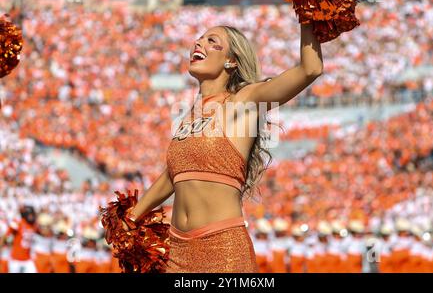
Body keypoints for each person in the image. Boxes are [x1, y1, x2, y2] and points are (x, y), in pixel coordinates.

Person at [123, 24, 323, 272]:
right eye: (199, 39)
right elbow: (175, 173)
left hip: (223, 249)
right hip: (176, 254)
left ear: (231, 61)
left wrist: (307, 14)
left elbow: (310, 69)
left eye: (211, 41)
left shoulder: (245, 101)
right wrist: (132, 216)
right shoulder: (189, 116)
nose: (199, 43)